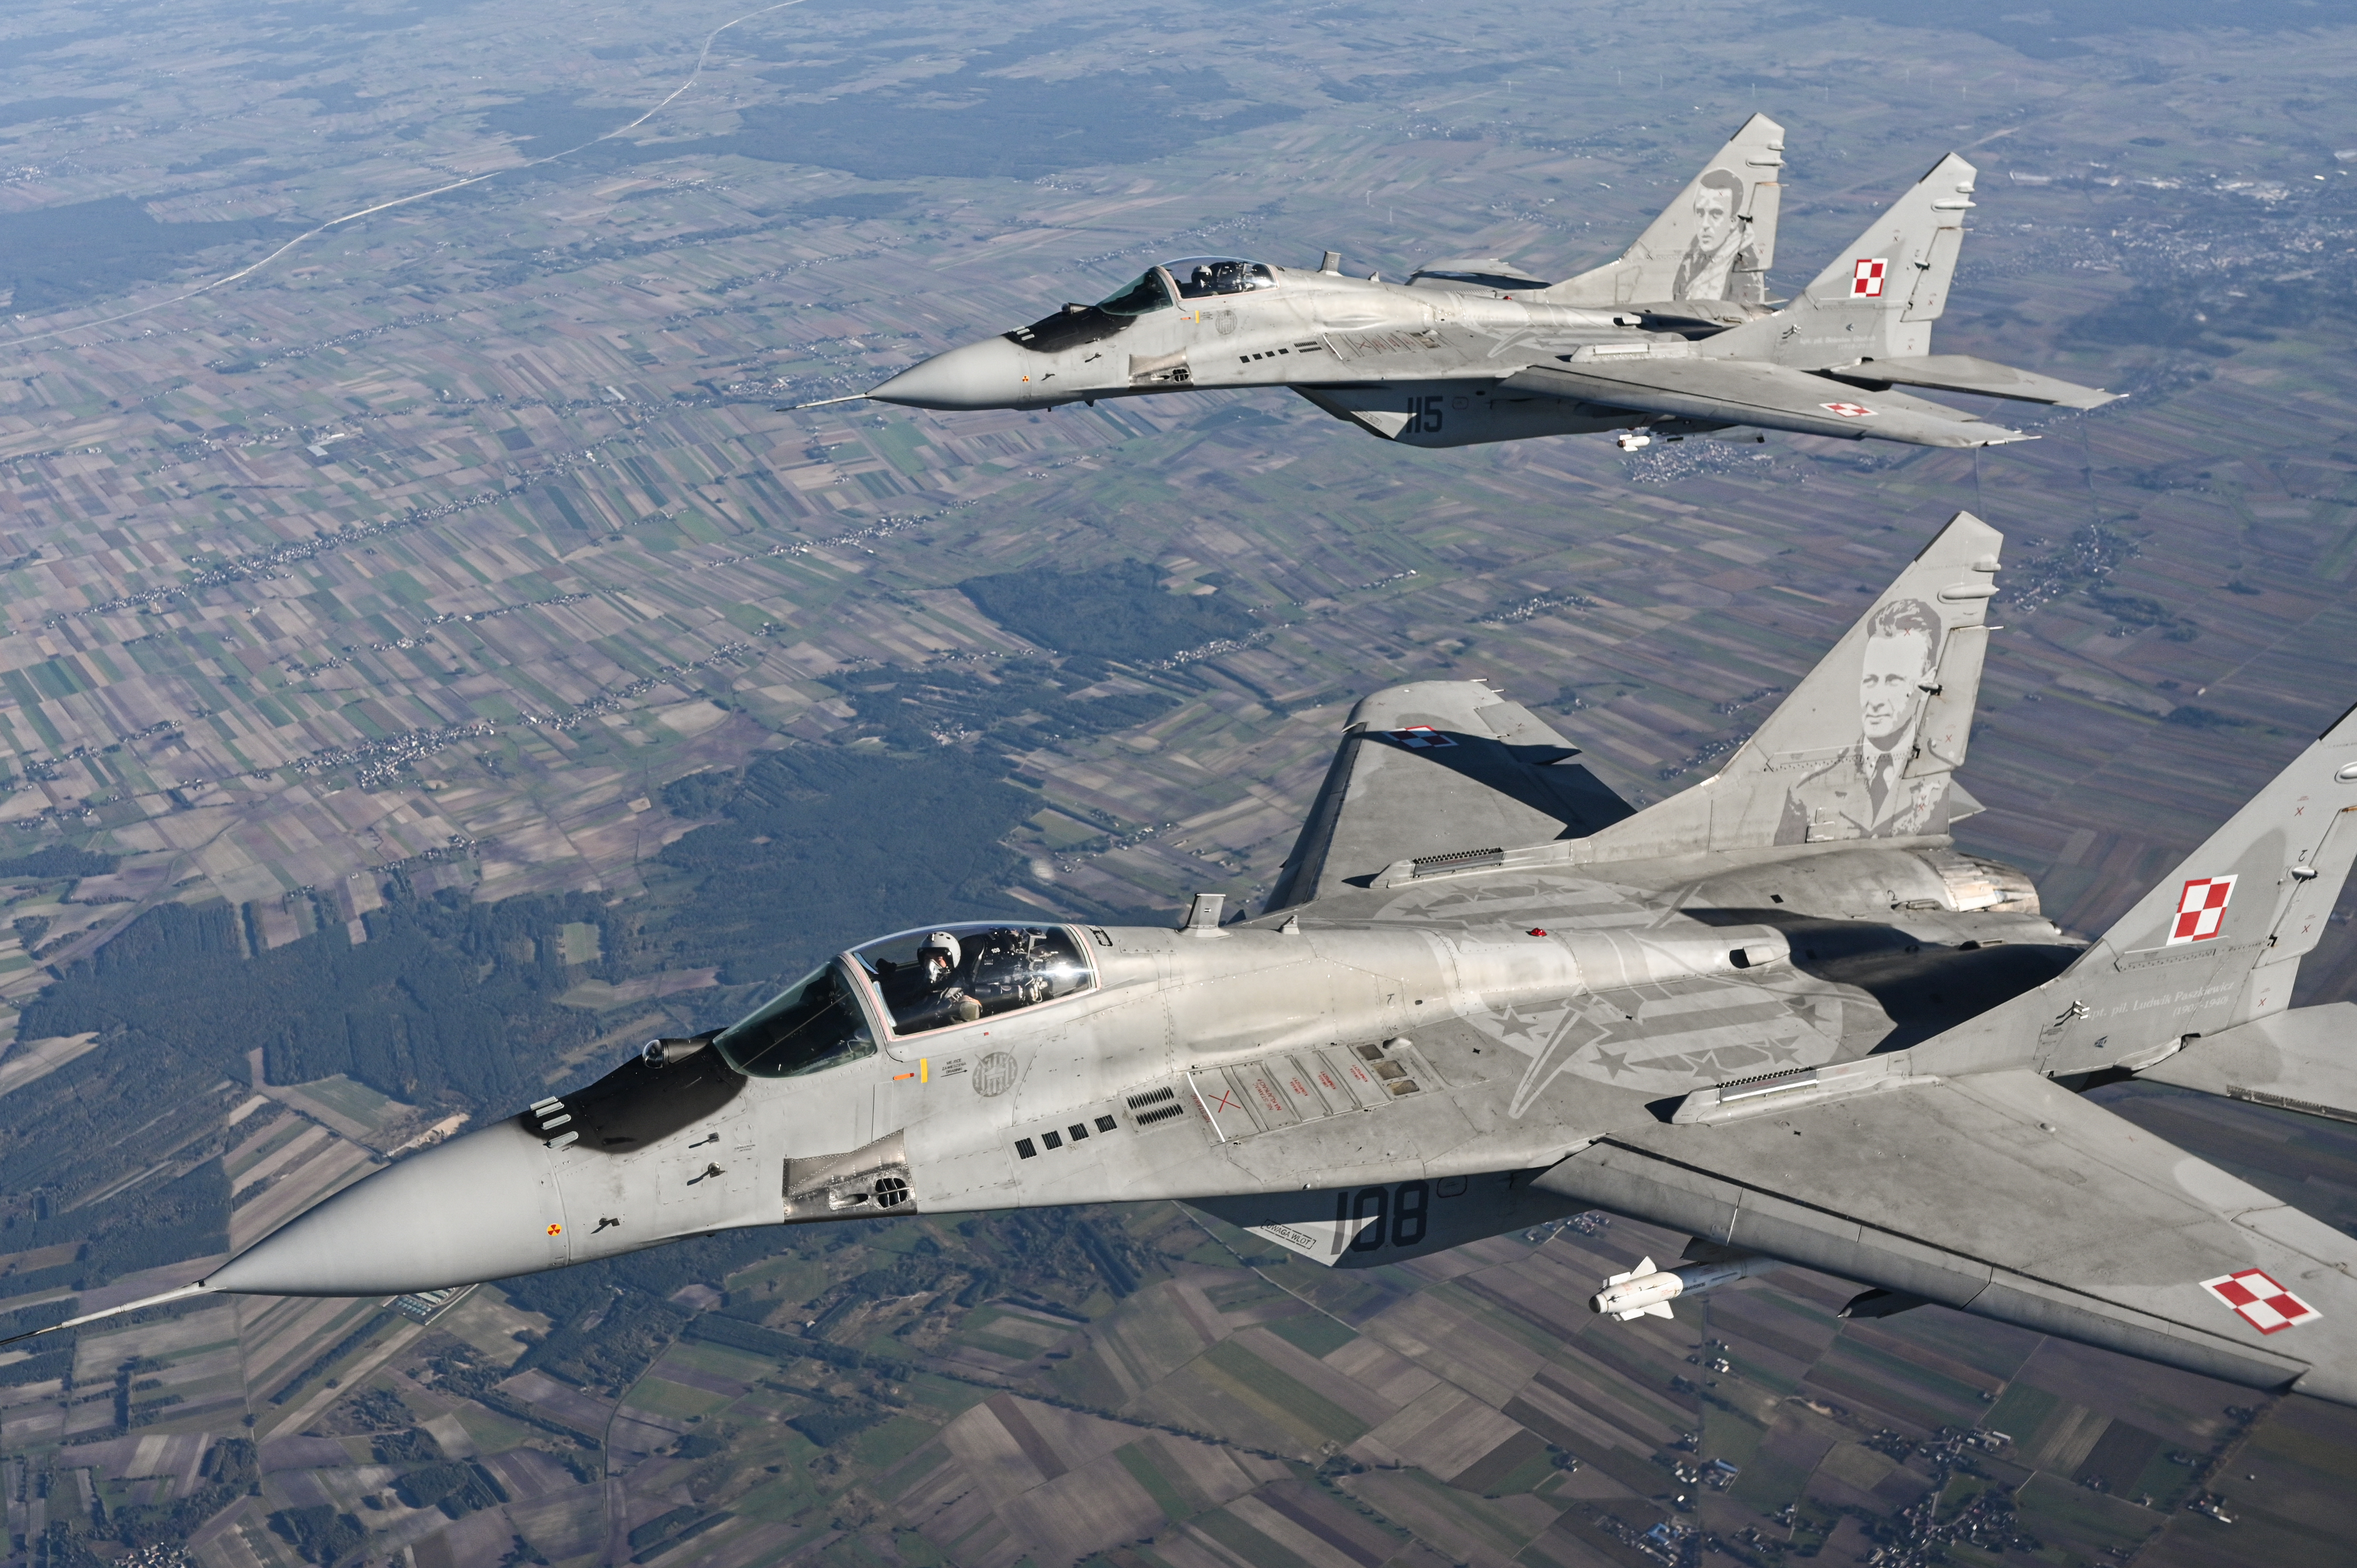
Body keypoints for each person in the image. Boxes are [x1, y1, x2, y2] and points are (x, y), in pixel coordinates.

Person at [1779, 598, 1948, 843]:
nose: (1875, 700)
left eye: (1893, 681)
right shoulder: (1805, 792)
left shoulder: (1935, 791)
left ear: (1926, 684)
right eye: (1870, 680)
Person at [1671, 168, 1751, 301]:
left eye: (1716, 214)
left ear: (1733, 221)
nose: (1705, 224)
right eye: (1700, 213)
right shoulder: (1692, 256)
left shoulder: (1744, 266)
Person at [878, 931, 983, 1032]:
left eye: (938, 959)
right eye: (928, 959)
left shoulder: (959, 989)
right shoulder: (923, 983)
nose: (931, 964)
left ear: (951, 959)